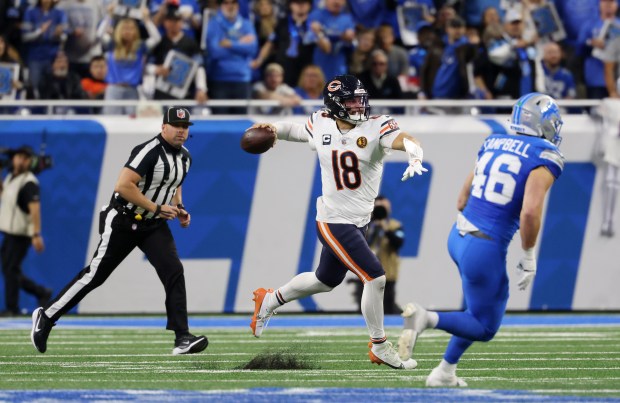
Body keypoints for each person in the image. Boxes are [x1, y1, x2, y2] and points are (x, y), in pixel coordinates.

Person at [249, 74, 427, 370]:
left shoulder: (376, 127)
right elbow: (296, 130)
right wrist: (273, 129)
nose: (359, 105)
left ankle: (270, 299)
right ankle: (380, 345)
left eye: (361, 99)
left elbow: (407, 140)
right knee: (375, 276)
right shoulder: (321, 122)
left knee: (324, 280)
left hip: (359, 221)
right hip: (333, 220)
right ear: (334, 105)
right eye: (351, 101)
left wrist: (415, 156)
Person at [398, 92, 565, 387]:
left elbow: (461, 199)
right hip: (483, 245)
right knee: (485, 326)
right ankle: (426, 318)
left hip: (458, 237)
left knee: (477, 312)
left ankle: (444, 373)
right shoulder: (545, 154)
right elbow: (529, 213)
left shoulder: (492, 142)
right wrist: (528, 255)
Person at [30, 107, 208, 356]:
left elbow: (174, 185)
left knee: (174, 270)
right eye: (176, 126)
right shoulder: (148, 151)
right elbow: (123, 185)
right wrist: (156, 207)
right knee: (95, 276)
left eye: (185, 126)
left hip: (152, 224)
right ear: (163, 126)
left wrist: (180, 208)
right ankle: (46, 316)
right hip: (123, 219)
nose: (181, 131)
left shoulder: (185, 157)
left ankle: (182, 337)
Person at [0, 146, 52, 316]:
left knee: (11, 270)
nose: (22, 160)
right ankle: (41, 292)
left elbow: (35, 209)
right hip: (9, 231)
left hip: (21, 233)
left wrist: (36, 234)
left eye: (26, 158)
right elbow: (6, 196)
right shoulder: (11, 177)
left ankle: (12, 308)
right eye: (19, 157)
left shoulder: (29, 182)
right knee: (10, 270)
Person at [351, 196, 405, 314]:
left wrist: (385, 229)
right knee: (365, 308)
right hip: (366, 272)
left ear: (389, 209)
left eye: (383, 207)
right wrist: (372, 228)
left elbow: (398, 242)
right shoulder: (365, 225)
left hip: (388, 273)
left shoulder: (394, 225)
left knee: (387, 309)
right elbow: (358, 243)